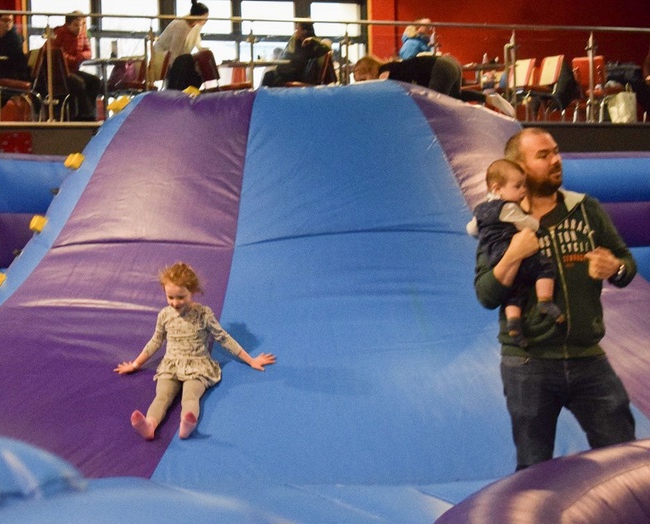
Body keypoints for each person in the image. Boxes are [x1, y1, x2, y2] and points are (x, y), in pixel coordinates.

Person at [474, 127, 637, 471]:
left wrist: (615, 267)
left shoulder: (586, 209)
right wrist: (512, 255)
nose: (556, 160)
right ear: (518, 166)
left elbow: (626, 263)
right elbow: (486, 295)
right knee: (532, 471)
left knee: (624, 463)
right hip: (528, 363)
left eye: (556, 152)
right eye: (543, 155)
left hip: (587, 358)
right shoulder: (499, 222)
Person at [115, 262, 276, 440]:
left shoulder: (204, 314)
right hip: (171, 365)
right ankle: (150, 425)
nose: (175, 303)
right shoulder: (165, 315)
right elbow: (156, 341)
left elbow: (224, 338)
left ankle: (187, 423)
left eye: (181, 297)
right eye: (170, 297)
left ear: (192, 292)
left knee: (190, 397)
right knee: (161, 397)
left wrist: (251, 360)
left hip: (198, 366)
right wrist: (136, 364)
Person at [467, 159, 564, 347]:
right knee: (544, 267)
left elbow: (471, 229)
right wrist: (535, 224)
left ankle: (514, 323)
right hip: (508, 250)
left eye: (524, 186)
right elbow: (529, 225)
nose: (523, 191)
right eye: (518, 186)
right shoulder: (508, 207)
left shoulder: (479, 210)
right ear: (497, 188)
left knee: (514, 290)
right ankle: (545, 300)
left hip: (494, 255)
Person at [353, 54, 517, 118]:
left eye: (363, 79)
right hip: (451, 63)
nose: (364, 84)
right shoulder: (395, 66)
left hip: (440, 68)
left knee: (435, 106)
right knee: (454, 97)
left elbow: (389, 98)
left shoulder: (383, 74)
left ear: (371, 70)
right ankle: (489, 98)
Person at [53, 11, 101, 121]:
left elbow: (88, 51)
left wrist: (81, 56)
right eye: (75, 25)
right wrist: (73, 59)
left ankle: (90, 111)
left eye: (80, 25)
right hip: (61, 72)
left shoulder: (82, 35)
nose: (78, 28)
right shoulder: (59, 33)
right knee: (79, 83)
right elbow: (56, 52)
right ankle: (85, 114)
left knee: (95, 81)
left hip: (74, 70)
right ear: (68, 24)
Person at [154, 0, 209, 90]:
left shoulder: (196, 25)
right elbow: (174, 51)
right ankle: (175, 88)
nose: (206, 20)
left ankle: (189, 89)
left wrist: (201, 49)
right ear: (197, 17)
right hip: (165, 56)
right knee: (188, 61)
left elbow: (197, 40)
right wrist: (172, 71)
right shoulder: (181, 25)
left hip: (179, 58)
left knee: (198, 69)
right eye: (205, 17)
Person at [261, 21, 332, 87]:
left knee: (269, 77)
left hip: (299, 74)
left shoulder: (313, 44)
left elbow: (326, 50)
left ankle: (264, 99)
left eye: (298, 28)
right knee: (269, 75)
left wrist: (312, 41)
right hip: (289, 71)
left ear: (304, 31)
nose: (295, 31)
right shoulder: (296, 41)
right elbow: (287, 55)